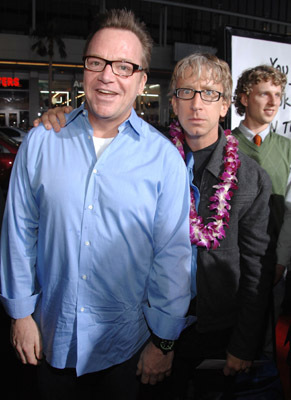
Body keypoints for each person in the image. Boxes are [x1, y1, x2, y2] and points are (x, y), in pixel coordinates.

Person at [39, 54, 275, 400]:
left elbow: (258, 271)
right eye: (186, 92)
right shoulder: (143, 154)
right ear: (173, 102)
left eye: (209, 93)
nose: (197, 104)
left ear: (225, 105)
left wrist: (243, 346)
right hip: (144, 323)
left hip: (216, 327)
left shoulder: (250, 179)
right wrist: (57, 117)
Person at [0, 9, 193, 400]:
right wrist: (20, 314)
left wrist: (164, 343)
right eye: (97, 63)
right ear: (84, 70)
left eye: (124, 66)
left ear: (141, 81)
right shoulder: (41, 143)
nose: (108, 76)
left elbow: (172, 257)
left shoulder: (164, 161)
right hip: (49, 339)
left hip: (127, 349)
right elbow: (19, 233)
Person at [233, 65, 291, 358]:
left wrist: (281, 261)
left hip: (274, 266)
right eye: (264, 94)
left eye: (278, 95)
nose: (272, 102)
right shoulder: (225, 145)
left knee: (267, 349)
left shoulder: (288, 149)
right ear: (244, 98)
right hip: (232, 266)